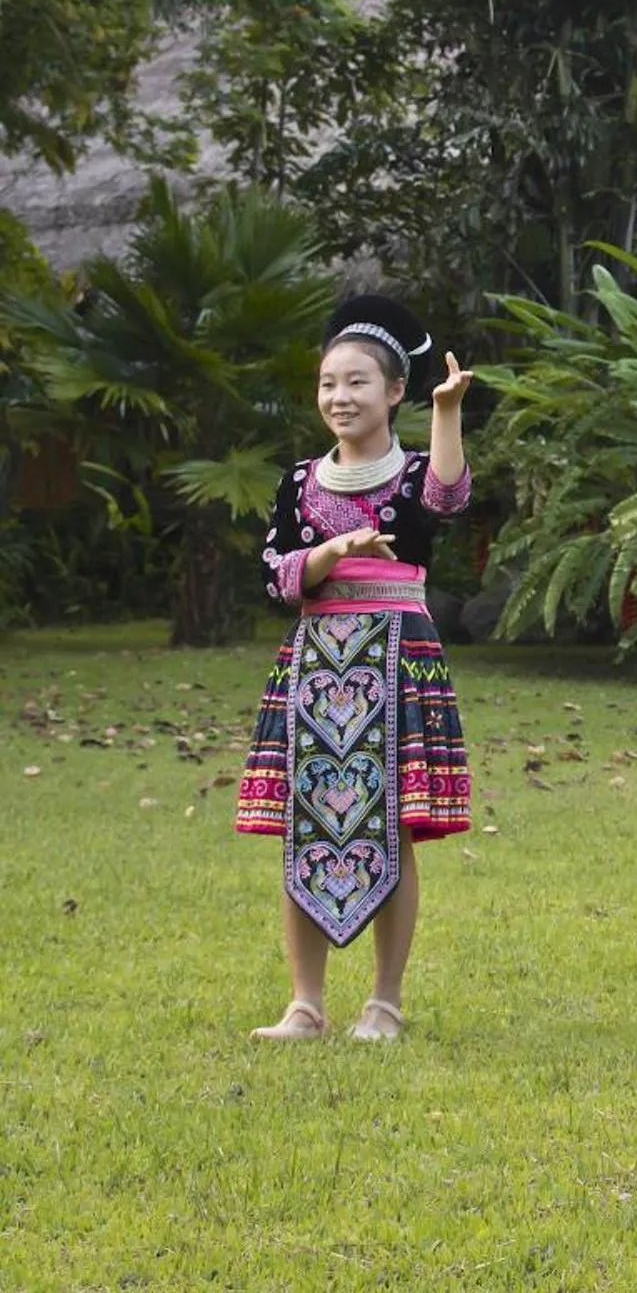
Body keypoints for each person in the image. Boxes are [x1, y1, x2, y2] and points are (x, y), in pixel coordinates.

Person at [236, 296, 474, 1042]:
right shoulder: (298, 481)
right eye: (328, 383)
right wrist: (326, 557)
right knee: (307, 826)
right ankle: (305, 1002)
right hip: (317, 659)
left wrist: (446, 414)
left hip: (397, 655)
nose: (339, 397)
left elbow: (447, 497)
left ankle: (385, 1002)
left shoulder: (410, 475)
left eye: (357, 383)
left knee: (390, 825)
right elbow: (276, 573)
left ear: (394, 391)